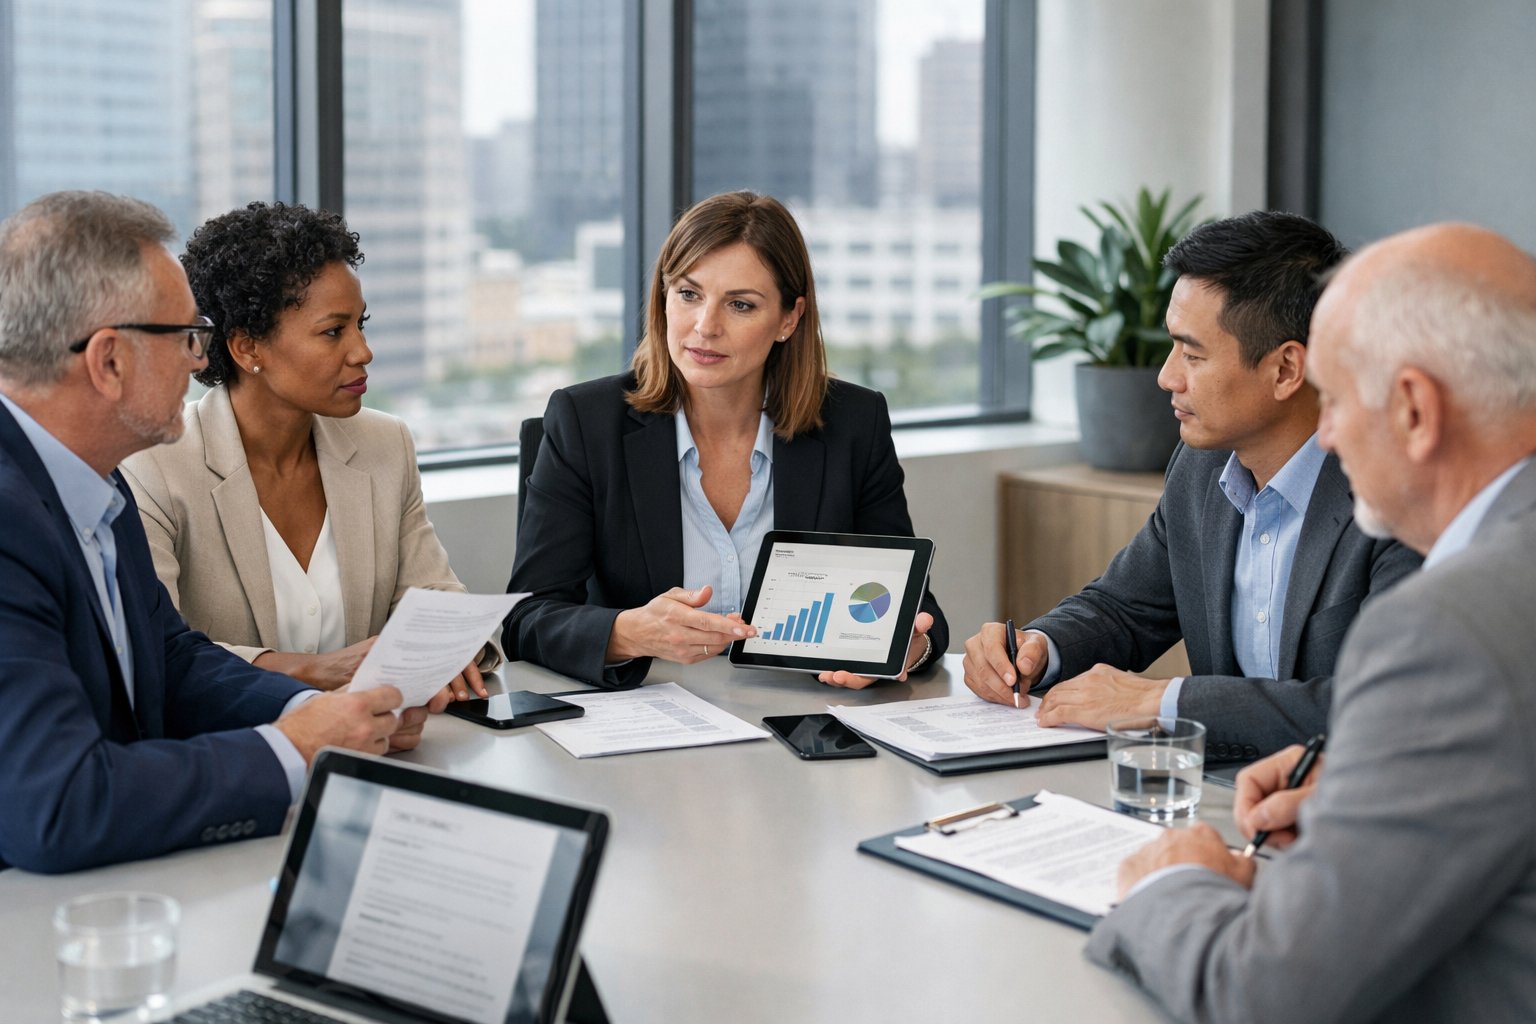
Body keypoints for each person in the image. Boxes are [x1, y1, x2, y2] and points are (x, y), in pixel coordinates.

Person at [1086, 222, 1536, 1022]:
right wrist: (1372, 782)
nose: (1324, 434)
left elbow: (1263, 994)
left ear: (1414, 411)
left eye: (1338, 398)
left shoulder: (1453, 623)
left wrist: (1171, 879)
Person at [0, 191, 434, 874]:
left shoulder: (95, 481)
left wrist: (325, 712)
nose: (199, 363)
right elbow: (58, 804)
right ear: (109, 361)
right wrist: (289, 749)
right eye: (183, 338)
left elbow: (171, 661)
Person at [963, 211, 1420, 758]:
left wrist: (1165, 702)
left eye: (1192, 353)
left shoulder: (1398, 498)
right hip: (1217, 794)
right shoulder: (1201, 469)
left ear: (1285, 370)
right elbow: (1126, 608)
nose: (1166, 376)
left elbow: (1377, 707)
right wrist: (1040, 647)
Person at [504, 191, 947, 689]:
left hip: (802, 716)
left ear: (789, 318)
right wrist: (628, 632)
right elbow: (527, 619)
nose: (705, 327)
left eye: (740, 305)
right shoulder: (587, 422)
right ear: (663, 298)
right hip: (649, 723)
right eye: (688, 294)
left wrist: (908, 646)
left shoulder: (852, 423)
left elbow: (914, 609)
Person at [121, 202, 498, 702]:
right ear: (247, 348)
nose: (362, 351)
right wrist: (312, 672)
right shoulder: (155, 466)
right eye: (333, 331)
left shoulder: (385, 445)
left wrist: (452, 651)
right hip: (239, 756)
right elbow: (155, 654)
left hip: (381, 749)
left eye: (361, 324)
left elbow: (436, 601)